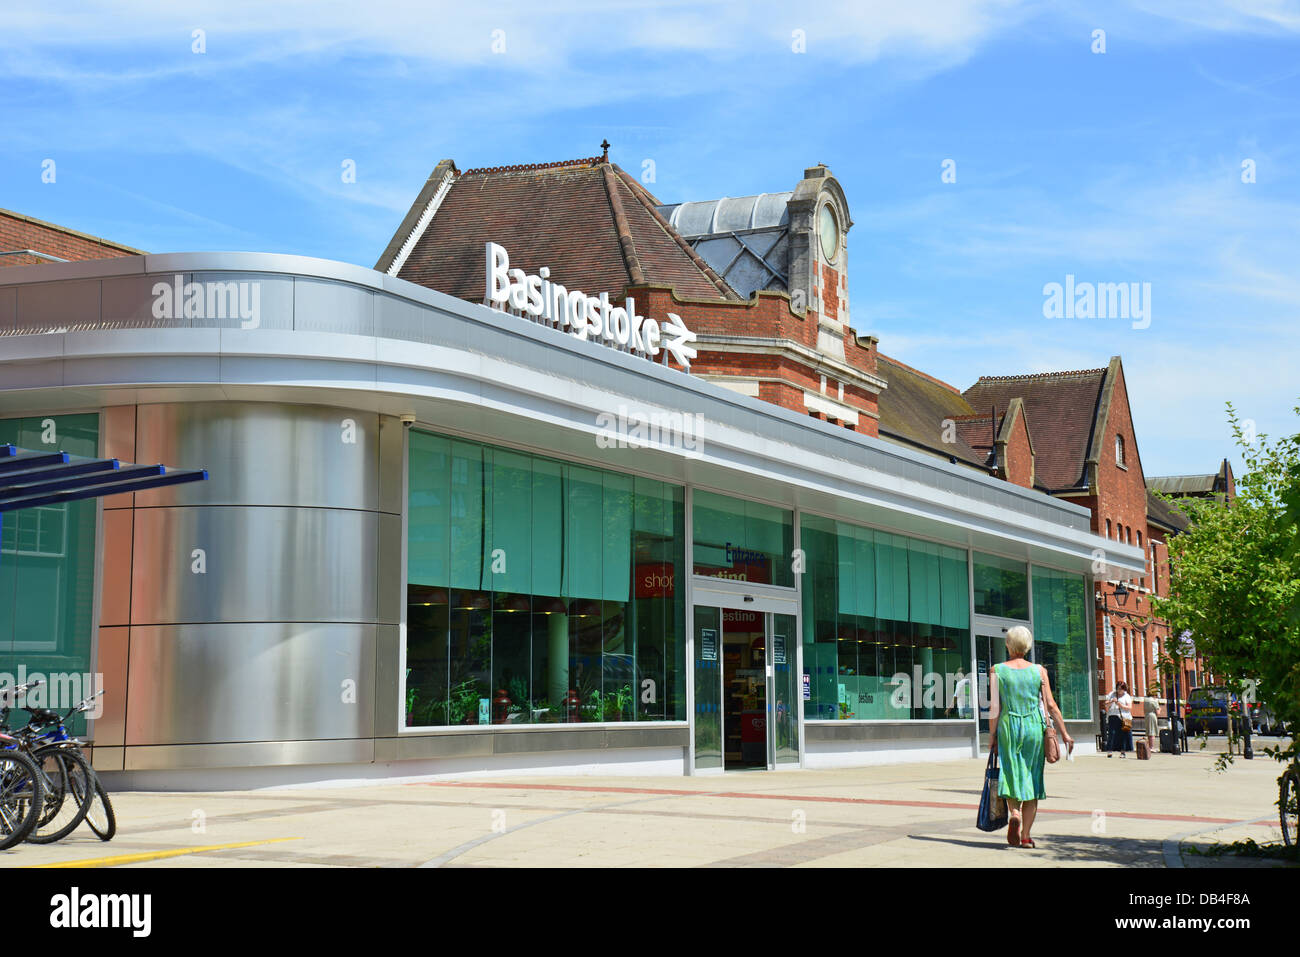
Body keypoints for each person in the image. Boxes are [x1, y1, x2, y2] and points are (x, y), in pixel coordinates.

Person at [988, 626, 1072, 848]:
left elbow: (995, 708)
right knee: (1032, 780)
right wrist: (1064, 733)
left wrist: (992, 736)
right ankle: (1025, 836)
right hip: (1034, 727)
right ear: (1027, 646)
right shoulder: (1039, 671)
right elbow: (1051, 705)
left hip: (1009, 727)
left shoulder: (997, 670)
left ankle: (1014, 811)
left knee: (1010, 773)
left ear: (1008, 645)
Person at [1104, 682, 1133, 757]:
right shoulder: (1112, 694)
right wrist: (1111, 701)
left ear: (1124, 689)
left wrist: (1121, 705)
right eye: (1118, 688)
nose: (1119, 690)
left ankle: (1123, 752)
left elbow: (1129, 707)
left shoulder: (1127, 696)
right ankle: (1110, 750)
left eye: (1121, 689)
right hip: (1113, 715)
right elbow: (1106, 704)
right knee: (1112, 733)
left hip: (1124, 717)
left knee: (1123, 735)